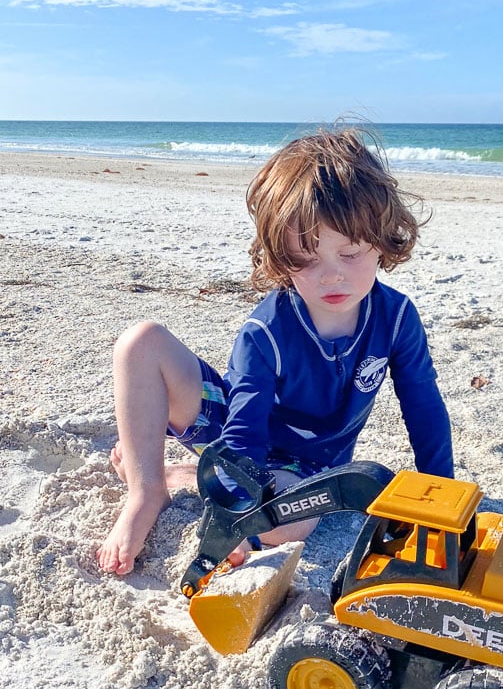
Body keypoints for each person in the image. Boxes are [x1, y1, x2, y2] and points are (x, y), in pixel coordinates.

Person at [96, 127, 454, 576]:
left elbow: (423, 407)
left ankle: (184, 476)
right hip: (238, 431)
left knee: (288, 525)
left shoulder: (397, 318)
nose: (331, 277)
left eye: (350, 254)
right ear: (279, 255)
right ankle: (147, 490)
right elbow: (243, 432)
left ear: (381, 241)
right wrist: (233, 518)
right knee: (141, 341)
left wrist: (442, 495)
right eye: (306, 257)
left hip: (311, 463)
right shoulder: (265, 330)